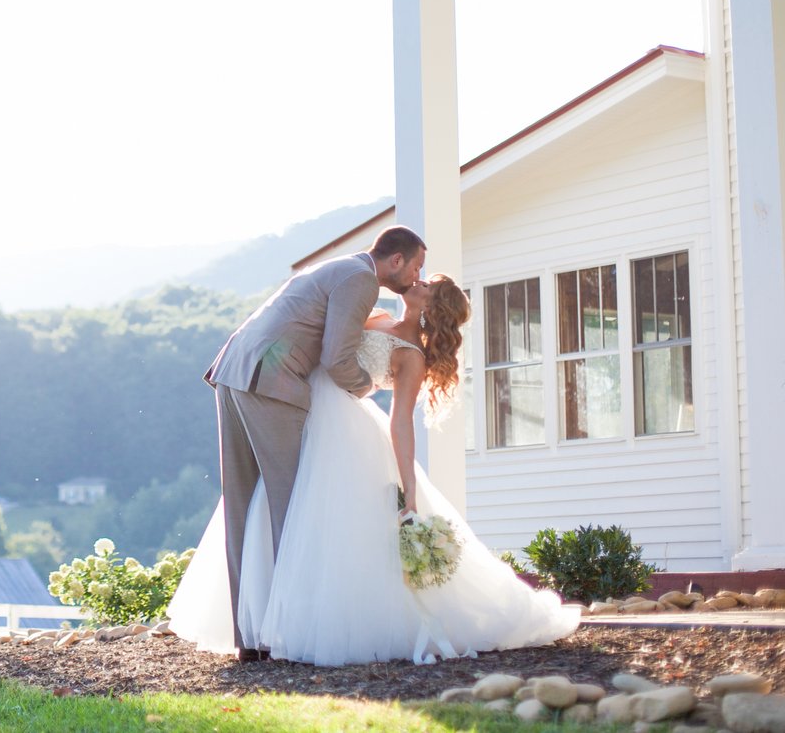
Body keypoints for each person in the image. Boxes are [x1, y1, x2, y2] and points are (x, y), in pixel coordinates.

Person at [169, 274, 580, 666]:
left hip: (341, 428)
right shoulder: (376, 316)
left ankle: (302, 624)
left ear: (432, 305)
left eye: (426, 285)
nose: (416, 282)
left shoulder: (410, 356)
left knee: (312, 519)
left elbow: (401, 422)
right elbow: (327, 336)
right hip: (300, 405)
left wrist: (409, 487)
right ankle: (260, 622)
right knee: (272, 507)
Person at [200, 226, 427, 657]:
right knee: (292, 507)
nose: (417, 276)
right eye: (416, 266)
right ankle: (289, 631)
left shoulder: (339, 267)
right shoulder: (360, 280)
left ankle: (247, 637)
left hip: (235, 369)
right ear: (395, 260)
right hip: (271, 381)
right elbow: (336, 358)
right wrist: (365, 387)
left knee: (243, 505)